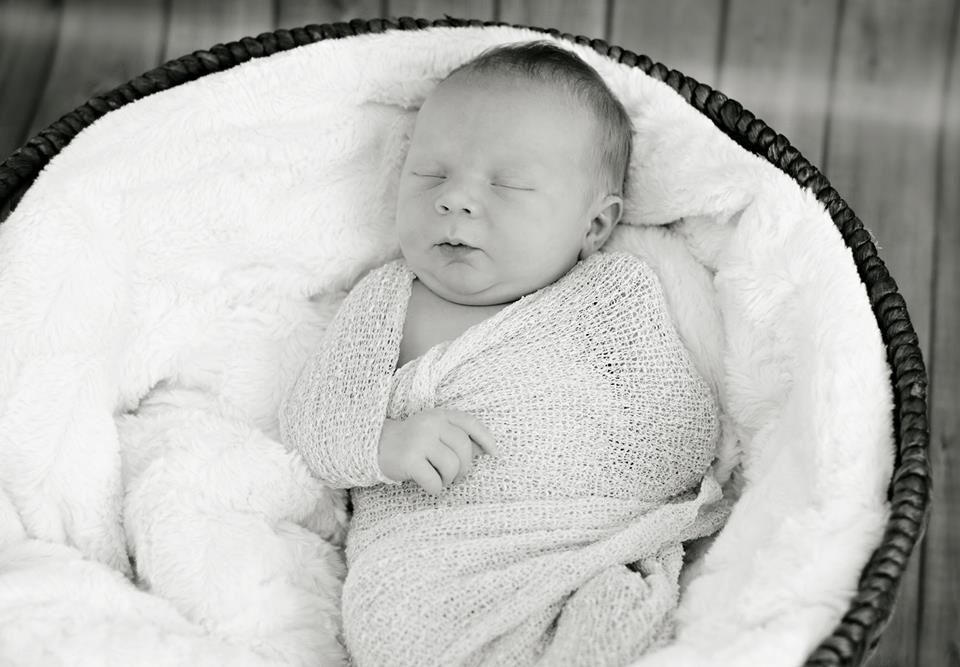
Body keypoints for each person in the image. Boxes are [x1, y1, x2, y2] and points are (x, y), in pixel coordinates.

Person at [279, 41, 728, 666]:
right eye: (430, 172)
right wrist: (384, 443)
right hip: (430, 560)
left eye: (509, 183)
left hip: (585, 540)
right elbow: (314, 418)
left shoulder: (611, 296)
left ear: (594, 227)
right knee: (390, 622)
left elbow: (677, 425)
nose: (454, 199)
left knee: (613, 611)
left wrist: (614, 487)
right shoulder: (387, 299)